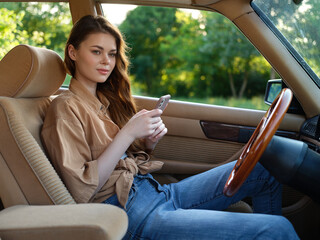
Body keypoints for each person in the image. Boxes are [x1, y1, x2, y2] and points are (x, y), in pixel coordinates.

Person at [41, 15, 299, 240]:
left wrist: (148, 143)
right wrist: (128, 132)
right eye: (96, 51)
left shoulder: (105, 100)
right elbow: (82, 189)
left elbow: (120, 159)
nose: (106, 61)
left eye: (111, 53)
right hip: (129, 214)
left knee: (265, 169)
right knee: (274, 229)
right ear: (73, 53)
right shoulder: (64, 109)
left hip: (155, 191)